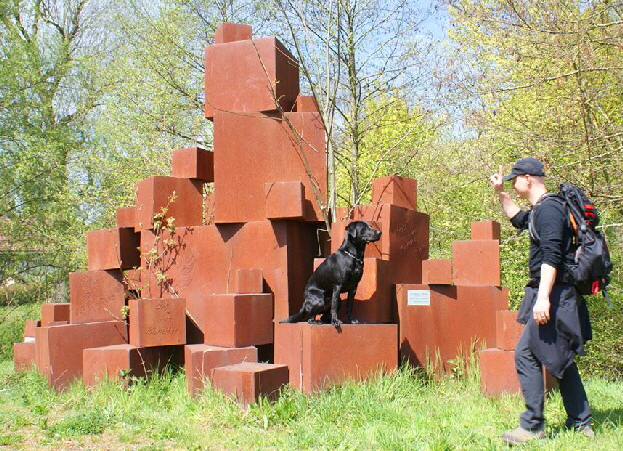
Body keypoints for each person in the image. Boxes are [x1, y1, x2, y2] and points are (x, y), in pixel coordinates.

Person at [490, 158, 594, 445]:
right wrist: (501, 193)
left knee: (526, 353)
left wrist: (543, 299)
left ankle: (533, 425)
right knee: (560, 358)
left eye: (514, 180)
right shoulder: (540, 209)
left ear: (528, 178)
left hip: (555, 293)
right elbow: (516, 219)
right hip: (553, 292)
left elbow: (552, 256)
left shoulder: (549, 210)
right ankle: (581, 421)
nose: (513, 183)